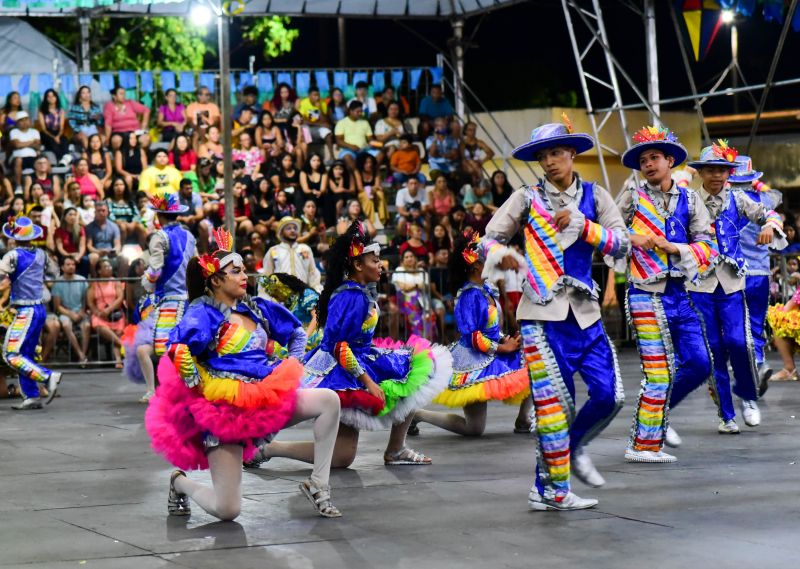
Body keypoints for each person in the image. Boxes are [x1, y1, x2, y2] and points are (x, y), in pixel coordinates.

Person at [483, 118, 630, 510]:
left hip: (585, 315)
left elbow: (623, 245)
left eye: (556, 153)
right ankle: (553, 489)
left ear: (572, 154)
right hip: (542, 316)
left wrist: (586, 228)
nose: (549, 161)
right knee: (552, 407)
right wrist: (507, 258)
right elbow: (487, 239)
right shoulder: (526, 198)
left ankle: (557, 464)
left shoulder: (596, 197)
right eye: (543, 155)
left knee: (609, 396)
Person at [144, 238, 343, 519]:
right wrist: (196, 384)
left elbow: (297, 332)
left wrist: (294, 365)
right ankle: (180, 482)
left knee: (328, 401)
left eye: (243, 269)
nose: (244, 275)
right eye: (236, 271)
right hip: (226, 414)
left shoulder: (257, 308)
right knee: (228, 510)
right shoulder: (204, 313)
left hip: (266, 397)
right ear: (215, 281)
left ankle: (319, 484)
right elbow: (178, 347)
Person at [248, 221, 452, 469]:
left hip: (357, 359)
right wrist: (367, 381)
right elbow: (338, 346)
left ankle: (396, 448)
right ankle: (267, 448)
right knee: (342, 456)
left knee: (412, 373)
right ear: (357, 265)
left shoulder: (358, 291)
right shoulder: (351, 296)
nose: (381, 264)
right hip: (340, 370)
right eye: (375, 261)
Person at [615, 125, 717, 462]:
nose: (648, 164)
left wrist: (674, 247)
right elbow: (609, 234)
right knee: (658, 372)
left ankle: (658, 415)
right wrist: (634, 238)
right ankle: (643, 444)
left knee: (701, 363)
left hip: (680, 293)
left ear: (669, 160)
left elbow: (707, 245)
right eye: (642, 159)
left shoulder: (690, 199)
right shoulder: (631, 195)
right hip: (644, 291)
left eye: (654, 157)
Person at [412, 231, 531, 436]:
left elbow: (491, 328)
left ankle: (524, 419)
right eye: (487, 257)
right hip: (474, 357)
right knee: (474, 428)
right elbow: (473, 336)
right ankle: (417, 415)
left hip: (491, 350)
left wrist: (505, 339)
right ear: (476, 265)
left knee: (534, 362)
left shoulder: (486, 289)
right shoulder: (469, 295)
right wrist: (502, 347)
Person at [132, 190, 197, 402]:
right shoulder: (189, 235)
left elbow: (155, 270)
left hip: (170, 302)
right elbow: (196, 265)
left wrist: (147, 282)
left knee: (166, 348)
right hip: (190, 300)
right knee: (184, 346)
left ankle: (184, 390)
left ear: (158, 216)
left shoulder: (160, 237)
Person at [730, 157, 785, 388]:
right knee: (755, 322)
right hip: (760, 274)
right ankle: (759, 362)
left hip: (731, 274)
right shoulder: (764, 201)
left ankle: (741, 365)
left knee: (731, 324)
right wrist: (758, 184)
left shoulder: (726, 201)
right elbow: (778, 194)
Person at [0, 217, 63, 409]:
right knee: (25, 353)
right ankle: (31, 396)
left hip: (25, 311)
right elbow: (55, 273)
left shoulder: (12, 255)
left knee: (10, 354)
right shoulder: (42, 254)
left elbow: (1, 276)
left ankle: (47, 376)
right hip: (39, 309)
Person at [262, 217, 321, 292]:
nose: (293, 230)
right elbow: (267, 275)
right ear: (281, 232)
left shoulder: (305, 249)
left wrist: (316, 291)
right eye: (289, 228)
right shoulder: (273, 250)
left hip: (303, 295)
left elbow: (312, 273)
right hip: (280, 297)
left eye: (295, 228)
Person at [50, 256, 91, 364]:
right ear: (62, 267)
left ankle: (83, 355)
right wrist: (70, 314)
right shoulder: (58, 282)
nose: (71, 267)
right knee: (66, 325)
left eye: (73, 264)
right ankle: (81, 355)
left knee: (86, 326)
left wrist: (81, 312)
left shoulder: (82, 280)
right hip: (65, 312)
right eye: (68, 265)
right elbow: (58, 305)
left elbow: (85, 301)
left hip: (80, 311)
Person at [88, 258, 126, 366]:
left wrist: (109, 310)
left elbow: (120, 298)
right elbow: (90, 302)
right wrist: (98, 312)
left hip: (115, 313)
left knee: (117, 333)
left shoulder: (115, 281)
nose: (109, 268)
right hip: (100, 315)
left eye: (110, 266)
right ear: (99, 271)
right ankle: (124, 346)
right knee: (100, 326)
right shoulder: (94, 284)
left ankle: (118, 360)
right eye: (106, 267)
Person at [334, 101, 383, 173]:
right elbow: (338, 141)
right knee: (347, 157)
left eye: (361, 111)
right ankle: (357, 176)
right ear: (350, 111)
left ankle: (370, 174)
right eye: (358, 112)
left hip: (364, 149)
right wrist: (351, 146)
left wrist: (379, 144)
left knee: (380, 154)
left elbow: (370, 139)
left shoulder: (365, 122)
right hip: (348, 150)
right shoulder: (341, 123)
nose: (360, 113)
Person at [86, 201, 127, 277]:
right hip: (97, 253)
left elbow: (118, 244)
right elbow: (89, 246)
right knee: (93, 257)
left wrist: (113, 251)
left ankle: (120, 283)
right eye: (99, 211)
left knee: (124, 258)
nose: (101, 213)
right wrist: (99, 251)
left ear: (107, 212)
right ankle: (95, 283)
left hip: (110, 253)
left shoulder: (114, 226)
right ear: (95, 212)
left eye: (103, 210)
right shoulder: (89, 227)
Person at [296, 86, 335, 160]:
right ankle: (306, 159)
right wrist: (318, 123)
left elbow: (325, 121)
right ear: (309, 96)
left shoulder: (322, 103)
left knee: (328, 133)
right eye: (314, 95)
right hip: (307, 127)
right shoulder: (304, 103)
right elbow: (302, 120)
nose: (316, 97)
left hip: (318, 128)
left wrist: (319, 108)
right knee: (304, 129)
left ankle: (332, 156)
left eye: (318, 95)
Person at [37, 89, 70, 163]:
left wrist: (58, 136)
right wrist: (54, 137)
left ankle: (66, 158)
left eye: (53, 96)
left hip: (58, 132)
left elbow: (61, 126)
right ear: (46, 98)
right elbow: (43, 128)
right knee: (52, 142)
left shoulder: (60, 110)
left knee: (64, 140)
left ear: (56, 97)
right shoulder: (42, 111)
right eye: (48, 96)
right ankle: (61, 159)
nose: (51, 98)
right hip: (46, 133)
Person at [9, 111, 41, 189]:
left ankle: (39, 184)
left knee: (41, 161)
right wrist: (31, 141)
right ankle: (18, 186)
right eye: (21, 120)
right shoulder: (14, 132)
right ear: (17, 123)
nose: (24, 122)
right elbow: (17, 145)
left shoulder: (35, 131)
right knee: (18, 160)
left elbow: (37, 146)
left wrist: (22, 143)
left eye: (26, 119)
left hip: (32, 157)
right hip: (18, 157)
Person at [68, 85, 104, 151]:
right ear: (79, 95)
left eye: (88, 92)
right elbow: (71, 121)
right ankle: (89, 155)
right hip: (80, 129)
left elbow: (101, 122)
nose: (86, 94)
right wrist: (78, 131)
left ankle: (100, 155)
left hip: (93, 128)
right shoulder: (75, 107)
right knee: (84, 138)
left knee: (102, 138)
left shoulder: (95, 107)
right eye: (83, 93)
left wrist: (98, 119)